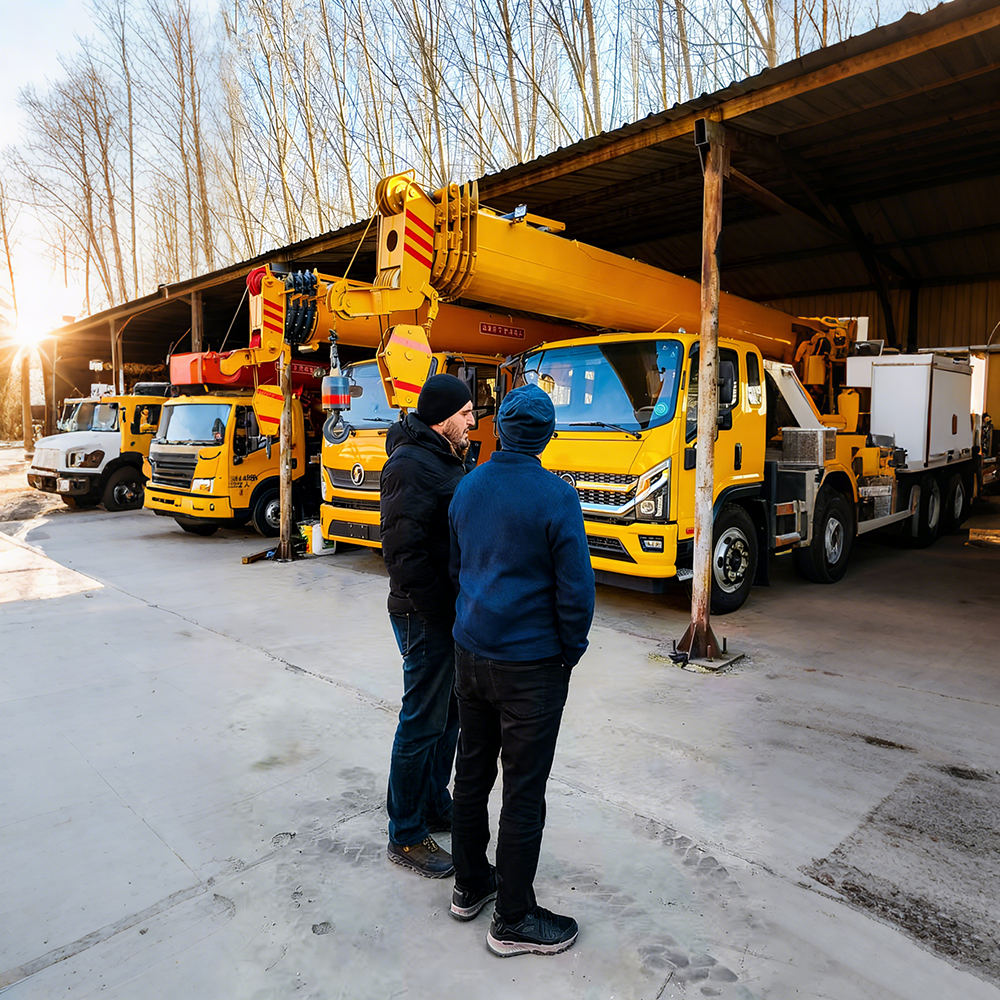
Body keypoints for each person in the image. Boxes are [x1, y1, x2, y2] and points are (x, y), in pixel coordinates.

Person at [447, 383, 595, 957]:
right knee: (524, 792)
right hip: (530, 666)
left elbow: (458, 567)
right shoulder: (556, 497)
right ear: (549, 436)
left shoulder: (468, 487)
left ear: (500, 431)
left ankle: (469, 885)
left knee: (473, 773)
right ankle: (512, 918)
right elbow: (576, 590)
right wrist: (569, 651)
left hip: (471, 655)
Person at [380, 373, 476, 877]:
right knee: (421, 721)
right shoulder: (411, 465)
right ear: (442, 417)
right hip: (424, 615)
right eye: (465, 414)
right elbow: (404, 555)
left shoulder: (442, 456)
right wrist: (443, 615)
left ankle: (435, 803)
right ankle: (407, 832)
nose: (472, 421)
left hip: (447, 614)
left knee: (449, 715)